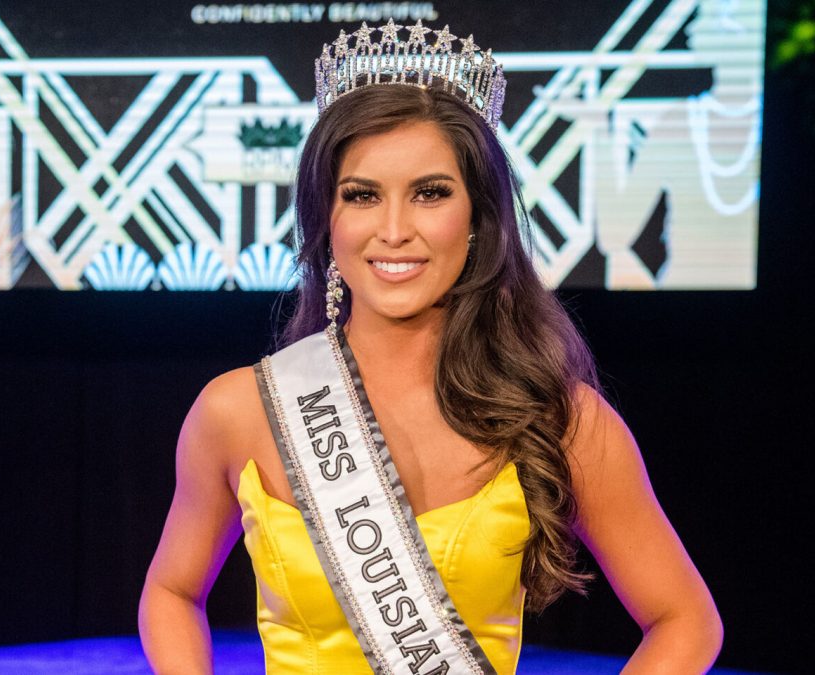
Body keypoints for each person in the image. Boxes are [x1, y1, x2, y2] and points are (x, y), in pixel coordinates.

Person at [139, 20, 722, 674]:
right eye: (362, 195)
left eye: (430, 193)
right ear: (324, 217)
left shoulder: (558, 417)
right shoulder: (239, 410)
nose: (393, 230)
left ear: (477, 217)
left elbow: (686, 619)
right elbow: (172, 590)